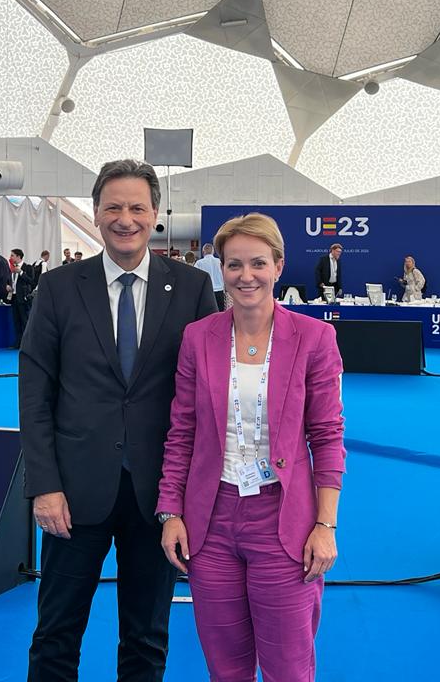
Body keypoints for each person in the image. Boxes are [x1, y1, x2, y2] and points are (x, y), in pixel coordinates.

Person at [19, 159, 218, 682]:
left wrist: (190, 495)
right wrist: (44, 486)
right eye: (113, 207)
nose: (125, 219)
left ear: (155, 214)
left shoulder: (193, 288)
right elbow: (35, 394)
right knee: (56, 633)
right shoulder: (59, 287)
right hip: (73, 493)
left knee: (146, 637)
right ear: (95, 212)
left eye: (136, 208)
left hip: (159, 497)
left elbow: (207, 398)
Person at [157, 212, 345, 682]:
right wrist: (171, 511)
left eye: (258, 263)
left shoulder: (315, 338)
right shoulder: (198, 337)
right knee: (226, 668)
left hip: (282, 521)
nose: (246, 275)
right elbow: (182, 431)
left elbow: (327, 437)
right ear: (220, 269)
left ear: (278, 266)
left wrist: (325, 525)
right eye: (234, 264)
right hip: (210, 521)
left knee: (288, 668)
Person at [9, 248, 36, 348]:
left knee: (25, 321)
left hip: (23, 298)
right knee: (16, 322)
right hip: (14, 298)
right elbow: (12, 282)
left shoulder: (28, 267)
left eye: (12, 255)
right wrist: (8, 286)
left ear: (18, 256)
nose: (10, 257)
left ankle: (27, 343)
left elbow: (31, 281)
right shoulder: (12, 269)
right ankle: (18, 343)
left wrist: (21, 273)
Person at [196, 242, 226, 310]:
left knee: (207, 313)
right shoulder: (220, 262)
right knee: (220, 313)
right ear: (213, 252)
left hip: (206, 292)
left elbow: (196, 278)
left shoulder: (199, 263)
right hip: (219, 291)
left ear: (203, 252)